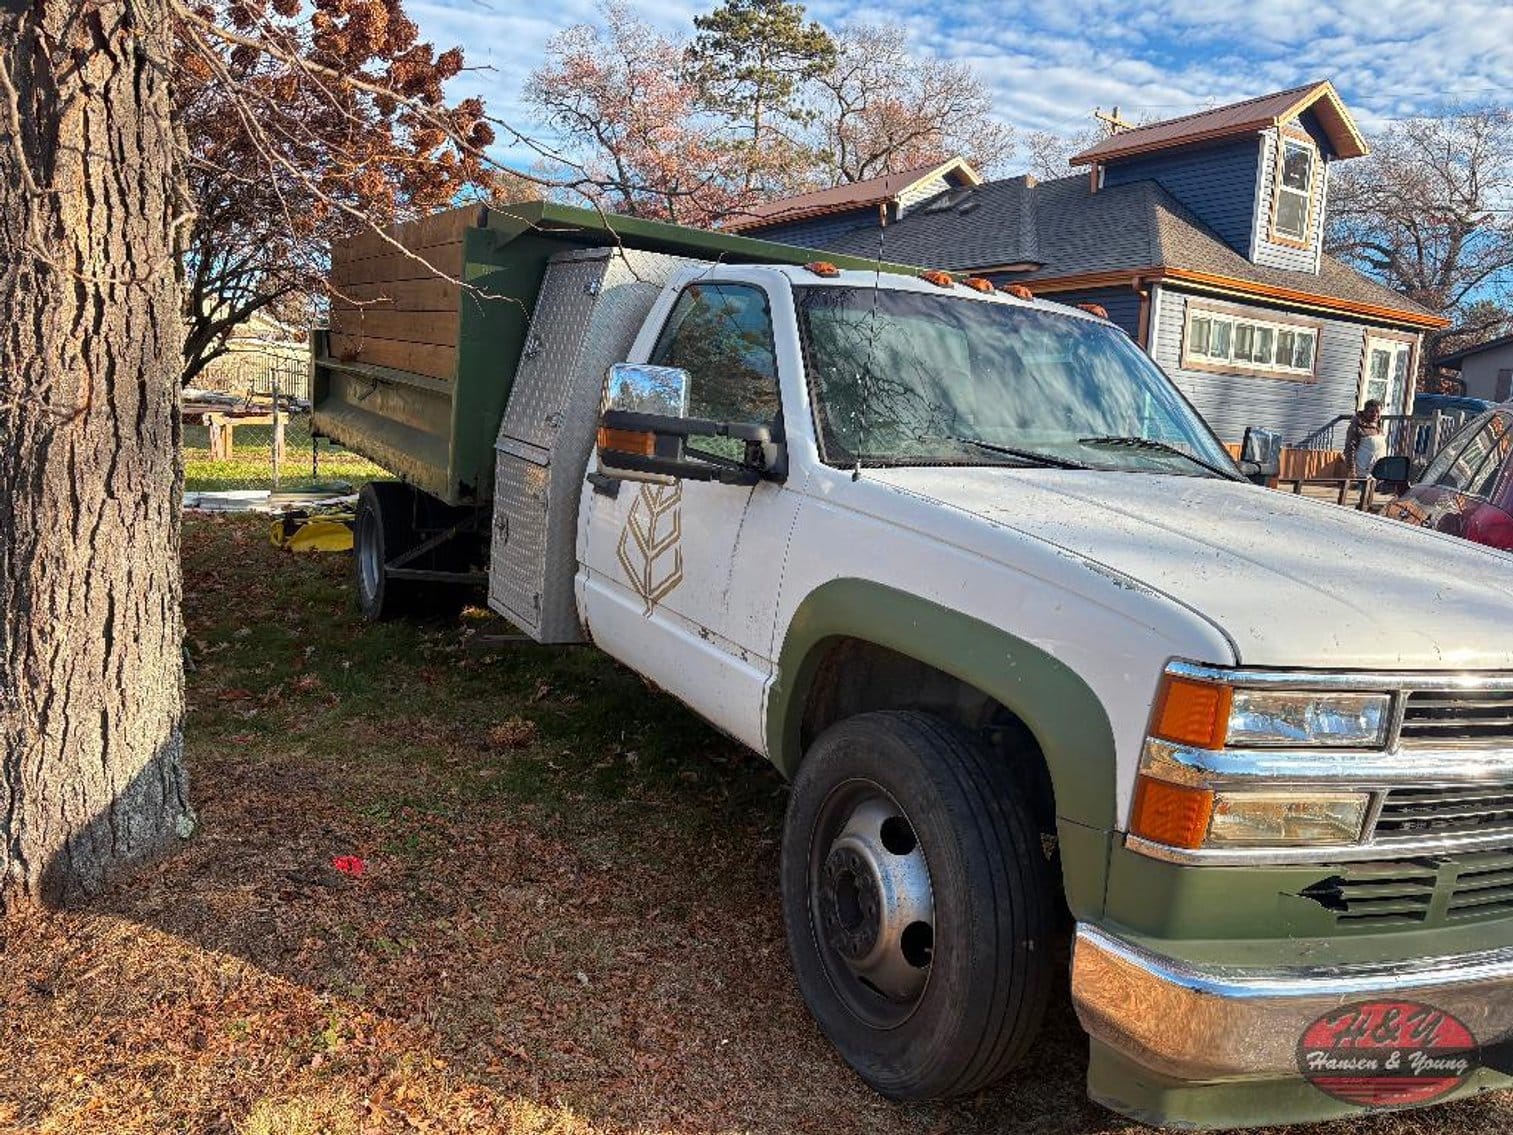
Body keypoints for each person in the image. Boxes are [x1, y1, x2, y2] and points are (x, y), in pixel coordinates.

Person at [1343, 399, 1387, 478]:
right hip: (1362, 472)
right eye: (1372, 411)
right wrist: (1351, 469)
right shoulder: (1357, 426)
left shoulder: (1378, 426)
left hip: (1378, 472)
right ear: (1365, 412)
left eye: (1377, 411)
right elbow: (1350, 449)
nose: (1375, 414)